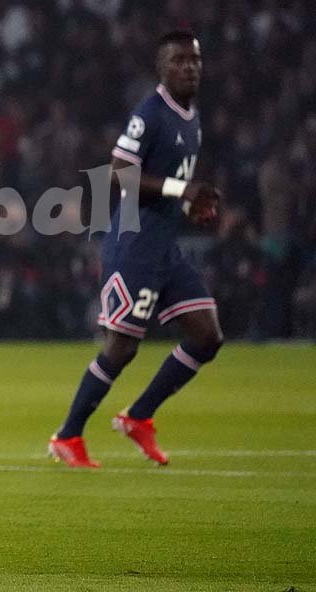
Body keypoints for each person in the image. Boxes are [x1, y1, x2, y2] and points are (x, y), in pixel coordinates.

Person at [49, 30, 223, 467]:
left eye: (194, 60)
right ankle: (68, 436)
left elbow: (169, 185)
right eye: (179, 60)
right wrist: (182, 190)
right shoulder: (150, 114)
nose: (189, 68)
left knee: (207, 336)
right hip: (135, 246)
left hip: (165, 248)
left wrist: (190, 205)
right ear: (161, 68)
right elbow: (118, 173)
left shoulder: (191, 116)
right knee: (122, 348)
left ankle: (139, 416)